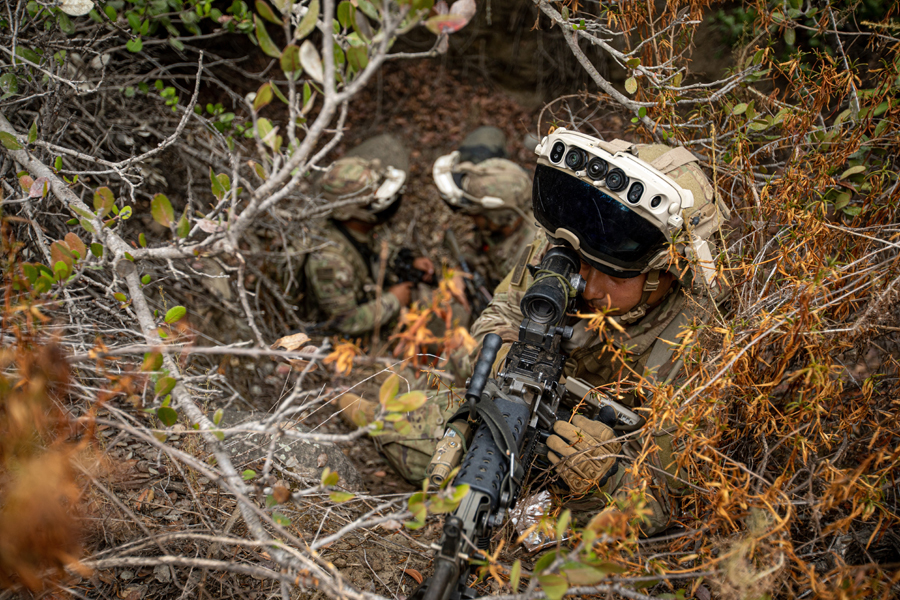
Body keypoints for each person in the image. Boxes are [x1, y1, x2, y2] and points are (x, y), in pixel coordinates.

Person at [348, 128, 730, 535]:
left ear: (669, 272)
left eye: (614, 275)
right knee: (425, 443)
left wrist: (605, 475)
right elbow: (499, 315)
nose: (586, 285)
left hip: (587, 461)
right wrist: (498, 356)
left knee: (585, 528)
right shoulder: (560, 249)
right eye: (582, 263)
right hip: (522, 412)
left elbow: (666, 498)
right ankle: (371, 410)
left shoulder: (697, 341)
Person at [300, 134, 436, 337]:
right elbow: (344, 322)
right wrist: (393, 301)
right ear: (351, 212)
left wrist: (409, 260)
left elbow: (374, 251)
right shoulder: (329, 260)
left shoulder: (359, 230)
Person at [433, 127, 539, 300]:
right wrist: (460, 272)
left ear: (497, 218)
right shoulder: (498, 227)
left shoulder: (533, 257)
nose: (472, 219)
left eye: (477, 215)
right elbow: (477, 246)